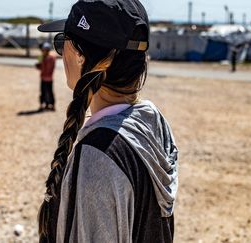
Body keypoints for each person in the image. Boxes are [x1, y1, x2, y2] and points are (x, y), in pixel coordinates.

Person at [37, 0, 178, 242]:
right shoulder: (153, 123)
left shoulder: (98, 156)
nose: (61, 54)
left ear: (80, 56)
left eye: (62, 42)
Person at [35, 42, 56, 111]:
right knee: (43, 92)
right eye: (43, 49)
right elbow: (39, 67)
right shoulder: (40, 57)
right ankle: (43, 105)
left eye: (46, 49)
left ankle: (52, 105)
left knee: (49, 92)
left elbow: (50, 67)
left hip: (49, 78)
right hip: (43, 78)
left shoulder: (51, 57)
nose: (44, 51)